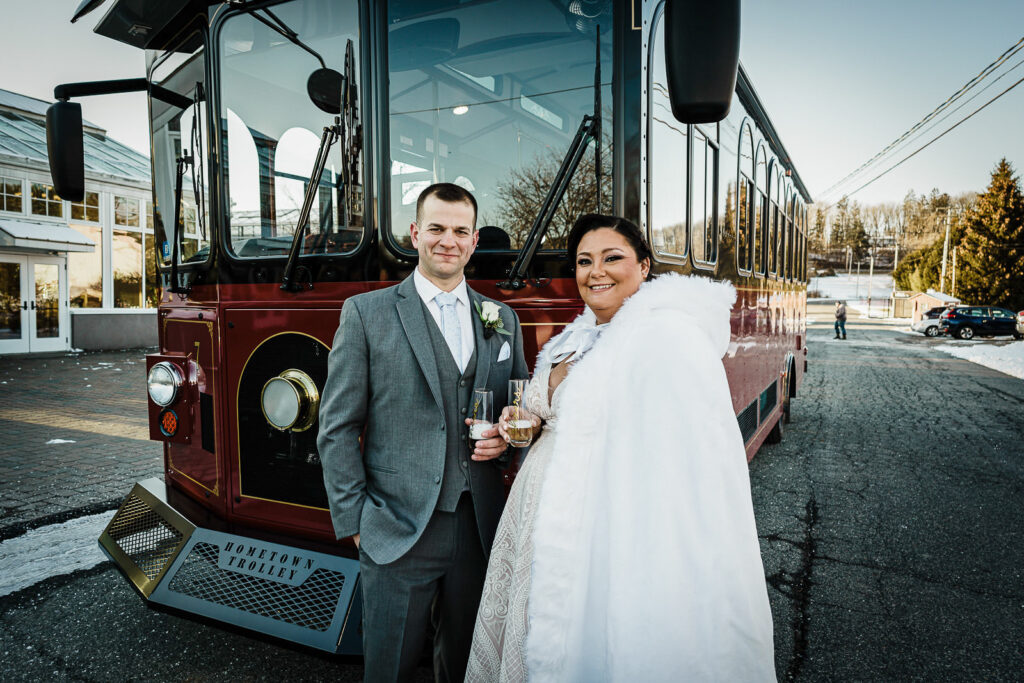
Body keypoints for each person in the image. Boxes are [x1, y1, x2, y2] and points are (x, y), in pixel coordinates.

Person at [466, 214, 776, 682]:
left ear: (645, 266)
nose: (597, 272)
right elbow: (555, 410)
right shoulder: (577, 333)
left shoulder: (666, 337)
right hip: (538, 517)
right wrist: (523, 417)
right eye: (584, 261)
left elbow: (687, 459)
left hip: (602, 530)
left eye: (613, 258)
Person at [318, 183, 529, 682]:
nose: (447, 241)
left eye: (460, 231)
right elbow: (336, 426)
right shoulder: (366, 314)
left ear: (475, 240)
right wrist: (355, 520)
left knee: (466, 667)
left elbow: (518, 410)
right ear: (415, 234)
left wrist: (509, 441)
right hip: (395, 529)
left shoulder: (504, 321)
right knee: (388, 669)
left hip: (479, 527)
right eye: (436, 228)